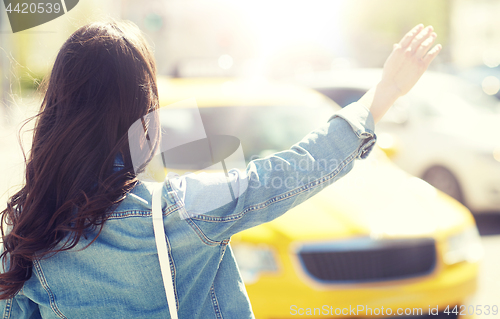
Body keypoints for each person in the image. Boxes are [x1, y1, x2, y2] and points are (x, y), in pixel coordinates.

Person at [0, 21, 440, 318]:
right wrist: (384, 93)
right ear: (144, 115)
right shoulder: (178, 212)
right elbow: (295, 170)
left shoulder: (30, 238)